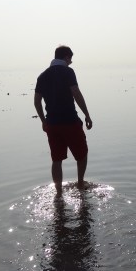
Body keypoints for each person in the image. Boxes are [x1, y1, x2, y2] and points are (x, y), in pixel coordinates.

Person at [34, 45, 93, 197]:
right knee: (82, 154)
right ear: (66, 57)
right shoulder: (68, 72)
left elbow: (36, 101)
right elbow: (76, 93)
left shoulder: (42, 76)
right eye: (70, 59)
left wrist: (43, 121)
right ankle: (80, 184)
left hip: (52, 124)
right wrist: (87, 114)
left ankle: (59, 192)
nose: (70, 62)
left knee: (56, 159)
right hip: (70, 121)